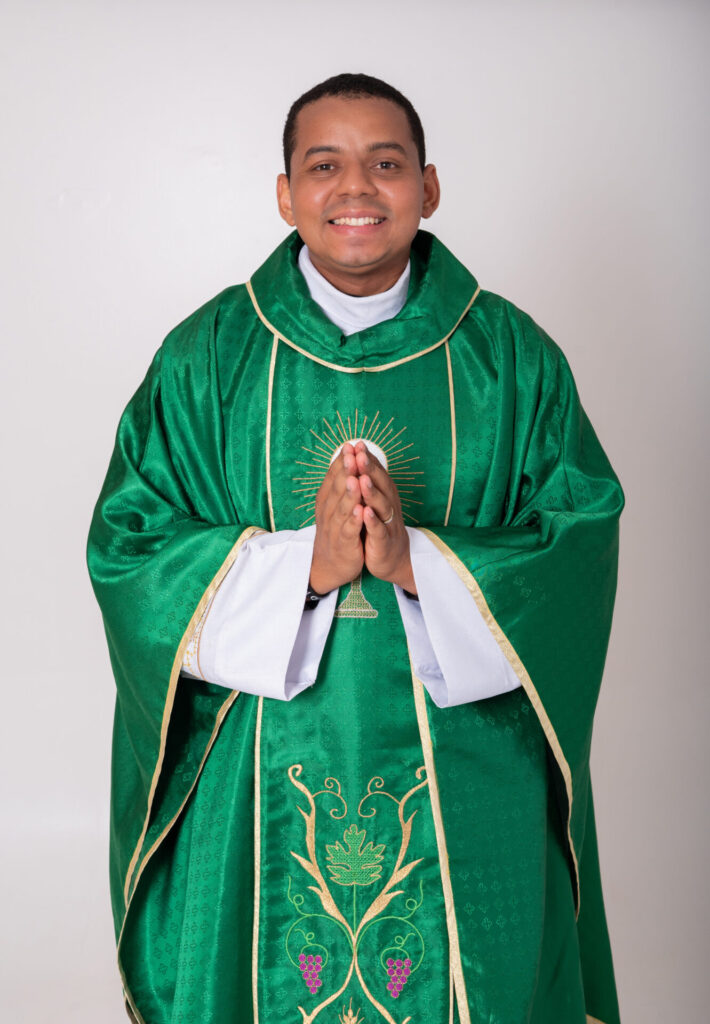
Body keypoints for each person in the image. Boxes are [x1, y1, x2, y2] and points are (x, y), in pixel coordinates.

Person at [88, 73, 624, 1024]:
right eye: (324, 165)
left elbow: (577, 542)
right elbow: (129, 550)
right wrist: (308, 568)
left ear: (429, 187)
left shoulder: (510, 358)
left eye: (386, 163)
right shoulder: (207, 358)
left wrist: (421, 563)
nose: (356, 190)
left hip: (470, 776)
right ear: (285, 193)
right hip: (255, 778)